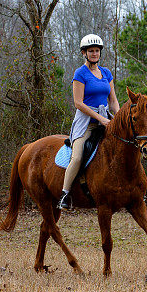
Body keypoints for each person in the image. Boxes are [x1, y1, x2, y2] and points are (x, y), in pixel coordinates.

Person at [58, 34, 120, 210]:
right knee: (77, 157)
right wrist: (100, 118)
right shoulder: (80, 73)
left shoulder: (106, 73)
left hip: (106, 121)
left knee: (126, 146)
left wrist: (119, 117)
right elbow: (78, 102)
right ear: (84, 53)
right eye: (91, 51)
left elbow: (113, 101)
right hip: (86, 123)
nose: (94, 54)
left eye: (97, 51)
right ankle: (65, 193)